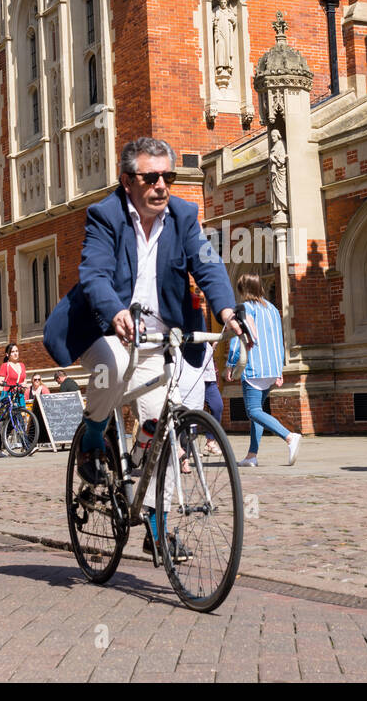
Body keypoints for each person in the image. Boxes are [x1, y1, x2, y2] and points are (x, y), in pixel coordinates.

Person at [42, 136, 246, 559]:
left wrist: (226, 312)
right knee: (112, 368)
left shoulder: (185, 216)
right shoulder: (105, 215)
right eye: (150, 177)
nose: (161, 185)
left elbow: (208, 265)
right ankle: (94, 437)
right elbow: (94, 274)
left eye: (167, 176)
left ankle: (158, 526)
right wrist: (116, 311)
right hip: (106, 329)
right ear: (127, 180)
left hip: (160, 338)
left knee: (165, 433)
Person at [224, 274, 300, 467]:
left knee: (254, 411)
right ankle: (252, 455)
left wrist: (231, 364)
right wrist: (279, 369)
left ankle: (289, 436)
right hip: (271, 367)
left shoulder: (244, 308)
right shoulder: (273, 309)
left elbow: (237, 338)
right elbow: (279, 338)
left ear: (243, 290)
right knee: (258, 412)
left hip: (254, 366)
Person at [0, 343, 27, 407]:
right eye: (13, 352)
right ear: (7, 354)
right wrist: (2, 383)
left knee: (22, 414)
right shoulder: (5, 365)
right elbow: (0, 380)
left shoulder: (22, 365)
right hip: (8, 394)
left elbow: (24, 380)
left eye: (17, 351)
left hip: (20, 394)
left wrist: (24, 384)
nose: (15, 353)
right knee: (9, 415)